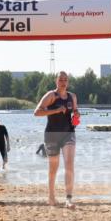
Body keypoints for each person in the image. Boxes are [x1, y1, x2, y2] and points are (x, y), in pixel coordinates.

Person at [33, 71, 79, 208]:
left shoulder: (72, 97)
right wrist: (56, 110)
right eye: (61, 80)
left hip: (68, 134)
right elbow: (37, 112)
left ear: (68, 82)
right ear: (56, 81)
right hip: (52, 135)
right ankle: (51, 196)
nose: (63, 82)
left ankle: (68, 199)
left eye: (65, 80)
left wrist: (76, 115)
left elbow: (75, 112)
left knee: (69, 164)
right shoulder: (51, 96)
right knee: (53, 168)